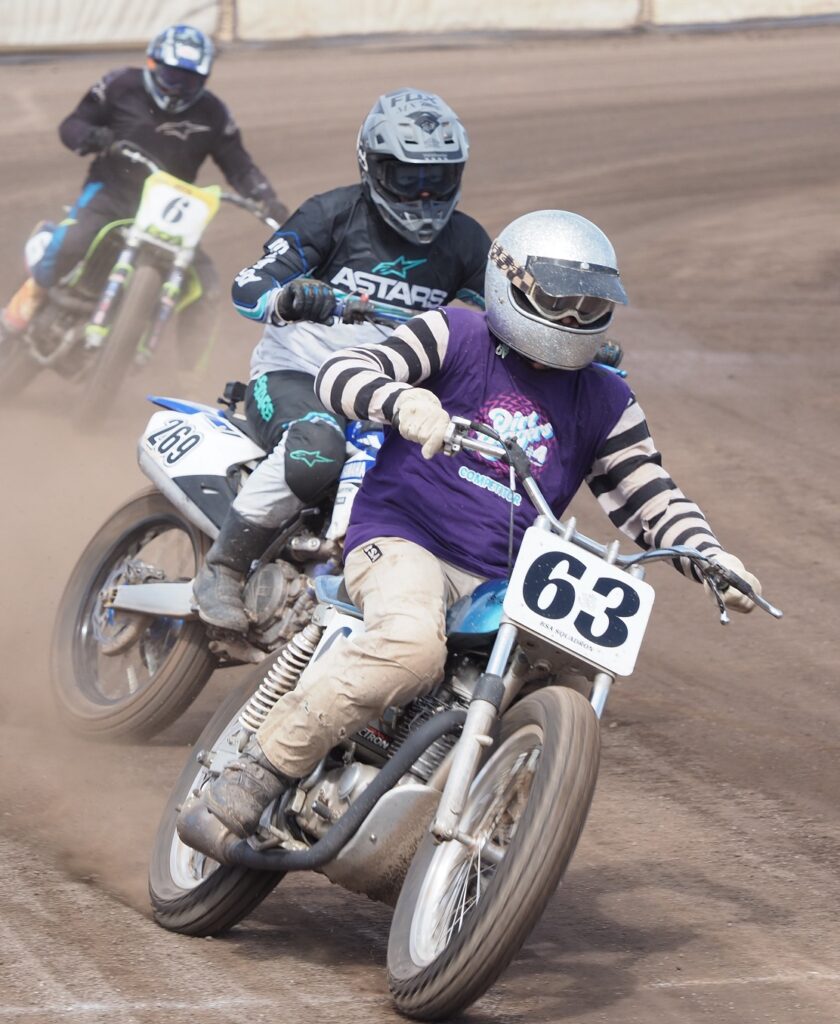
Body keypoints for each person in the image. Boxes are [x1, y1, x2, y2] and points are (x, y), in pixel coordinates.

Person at [177, 208, 763, 863]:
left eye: (590, 306)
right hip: (403, 538)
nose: (574, 318)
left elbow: (649, 492)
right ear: (511, 283)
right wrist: (402, 400)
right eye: (558, 301)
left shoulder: (608, 399)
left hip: (505, 580)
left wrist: (709, 555)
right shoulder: (455, 332)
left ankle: (497, 836)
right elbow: (342, 374)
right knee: (409, 649)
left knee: (567, 679)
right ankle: (254, 776)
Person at [191, 87, 491, 634]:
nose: (425, 195)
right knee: (317, 447)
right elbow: (248, 285)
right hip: (298, 375)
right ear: (371, 166)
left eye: (439, 178)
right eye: (408, 178)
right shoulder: (330, 215)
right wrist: (288, 297)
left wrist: (565, 344)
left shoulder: (468, 243)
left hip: (387, 395)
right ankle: (224, 568)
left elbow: (505, 319)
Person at [0, 24, 287, 345]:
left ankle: (187, 373)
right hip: (112, 192)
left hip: (172, 212)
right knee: (72, 241)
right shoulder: (121, 84)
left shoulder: (214, 113)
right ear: (152, 63)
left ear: (205, 79)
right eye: (172, 76)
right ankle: (23, 305)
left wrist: (267, 200)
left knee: (206, 288)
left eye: (190, 80)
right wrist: (93, 137)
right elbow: (73, 124)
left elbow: (240, 166)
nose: (178, 88)